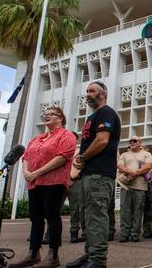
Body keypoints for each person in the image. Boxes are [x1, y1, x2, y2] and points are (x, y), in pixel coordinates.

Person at [10, 107, 76, 268]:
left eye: (51, 114)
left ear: (60, 118)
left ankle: (53, 255)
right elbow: (26, 157)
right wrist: (26, 172)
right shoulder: (37, 138)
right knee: (36, 218)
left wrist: (37, 172)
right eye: (45, 114)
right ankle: (33, 253)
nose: (47, 116)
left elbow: (62, 157)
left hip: (54, 182)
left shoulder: (66, 135)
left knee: (52, 216)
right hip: (33, 183)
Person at [67, 81, 121, 268]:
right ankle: (89, 255)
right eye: (87, 91)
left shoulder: (107, 113)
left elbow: (102, 141)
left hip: (100, 174)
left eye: (92, 91)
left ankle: (98, 260)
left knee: (96, 216)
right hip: (88, 174)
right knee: (87, 216)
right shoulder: (92, 117)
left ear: (103, 93)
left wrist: (82, 157)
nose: (88, 94)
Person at [117, 136, 152, 243]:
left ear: (140, 143)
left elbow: (148, 166)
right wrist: (130, 172)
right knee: (125, 211)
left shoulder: (146, 154)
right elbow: (120, 166)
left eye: (134, 141)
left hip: (140, 187)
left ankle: (134, 234)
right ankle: (124, 233)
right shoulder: (124, 154)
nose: (132, 142)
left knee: (138, 211)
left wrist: (135, 174)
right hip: (126, 187)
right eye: (130, 141)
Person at [68, 139, 86, 244]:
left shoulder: (80, 151)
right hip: (61, 181)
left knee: (76, 208)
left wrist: (72, 177)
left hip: (74, 181)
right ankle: (48, 235)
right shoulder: (63, 151)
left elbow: (81, 165)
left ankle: (74, 233)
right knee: (54, 210)